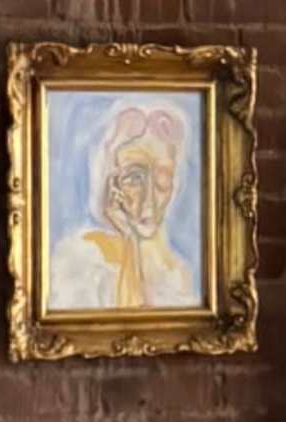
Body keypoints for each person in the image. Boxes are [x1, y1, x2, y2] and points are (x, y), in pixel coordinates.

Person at [57, 99, 196, 311]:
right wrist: (129, 242)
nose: (149, 201)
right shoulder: (78, 262)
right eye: (134, 178)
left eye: (163, 179)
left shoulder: (175, 271)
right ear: (108, 181)